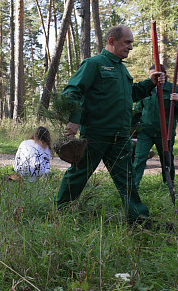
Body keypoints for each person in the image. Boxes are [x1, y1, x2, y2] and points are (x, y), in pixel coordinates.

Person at [54, 25, 167, 228]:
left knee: (128, 180)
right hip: (96, 134)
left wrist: (149, 83)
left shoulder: (121, 69)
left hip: (120, 136)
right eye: (127, 42)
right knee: (79, 174)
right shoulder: (94, 64)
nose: (131, 47)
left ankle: (139, 221)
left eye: (131, 43)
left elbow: (129, 95)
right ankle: (61, 212)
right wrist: (75, 118)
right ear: (112, 41)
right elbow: (72, 91)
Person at [132, 64, 178, 187]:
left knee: (167, 160)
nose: (158, 77)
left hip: (165, 133)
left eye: (160, 74)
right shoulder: (146, 90)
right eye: (154, 75)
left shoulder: (174, 88)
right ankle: (133, 188)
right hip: (145, 132)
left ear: (165, 75)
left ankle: (169, 185)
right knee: (139, 159)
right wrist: (132, 128)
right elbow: (137, 110)